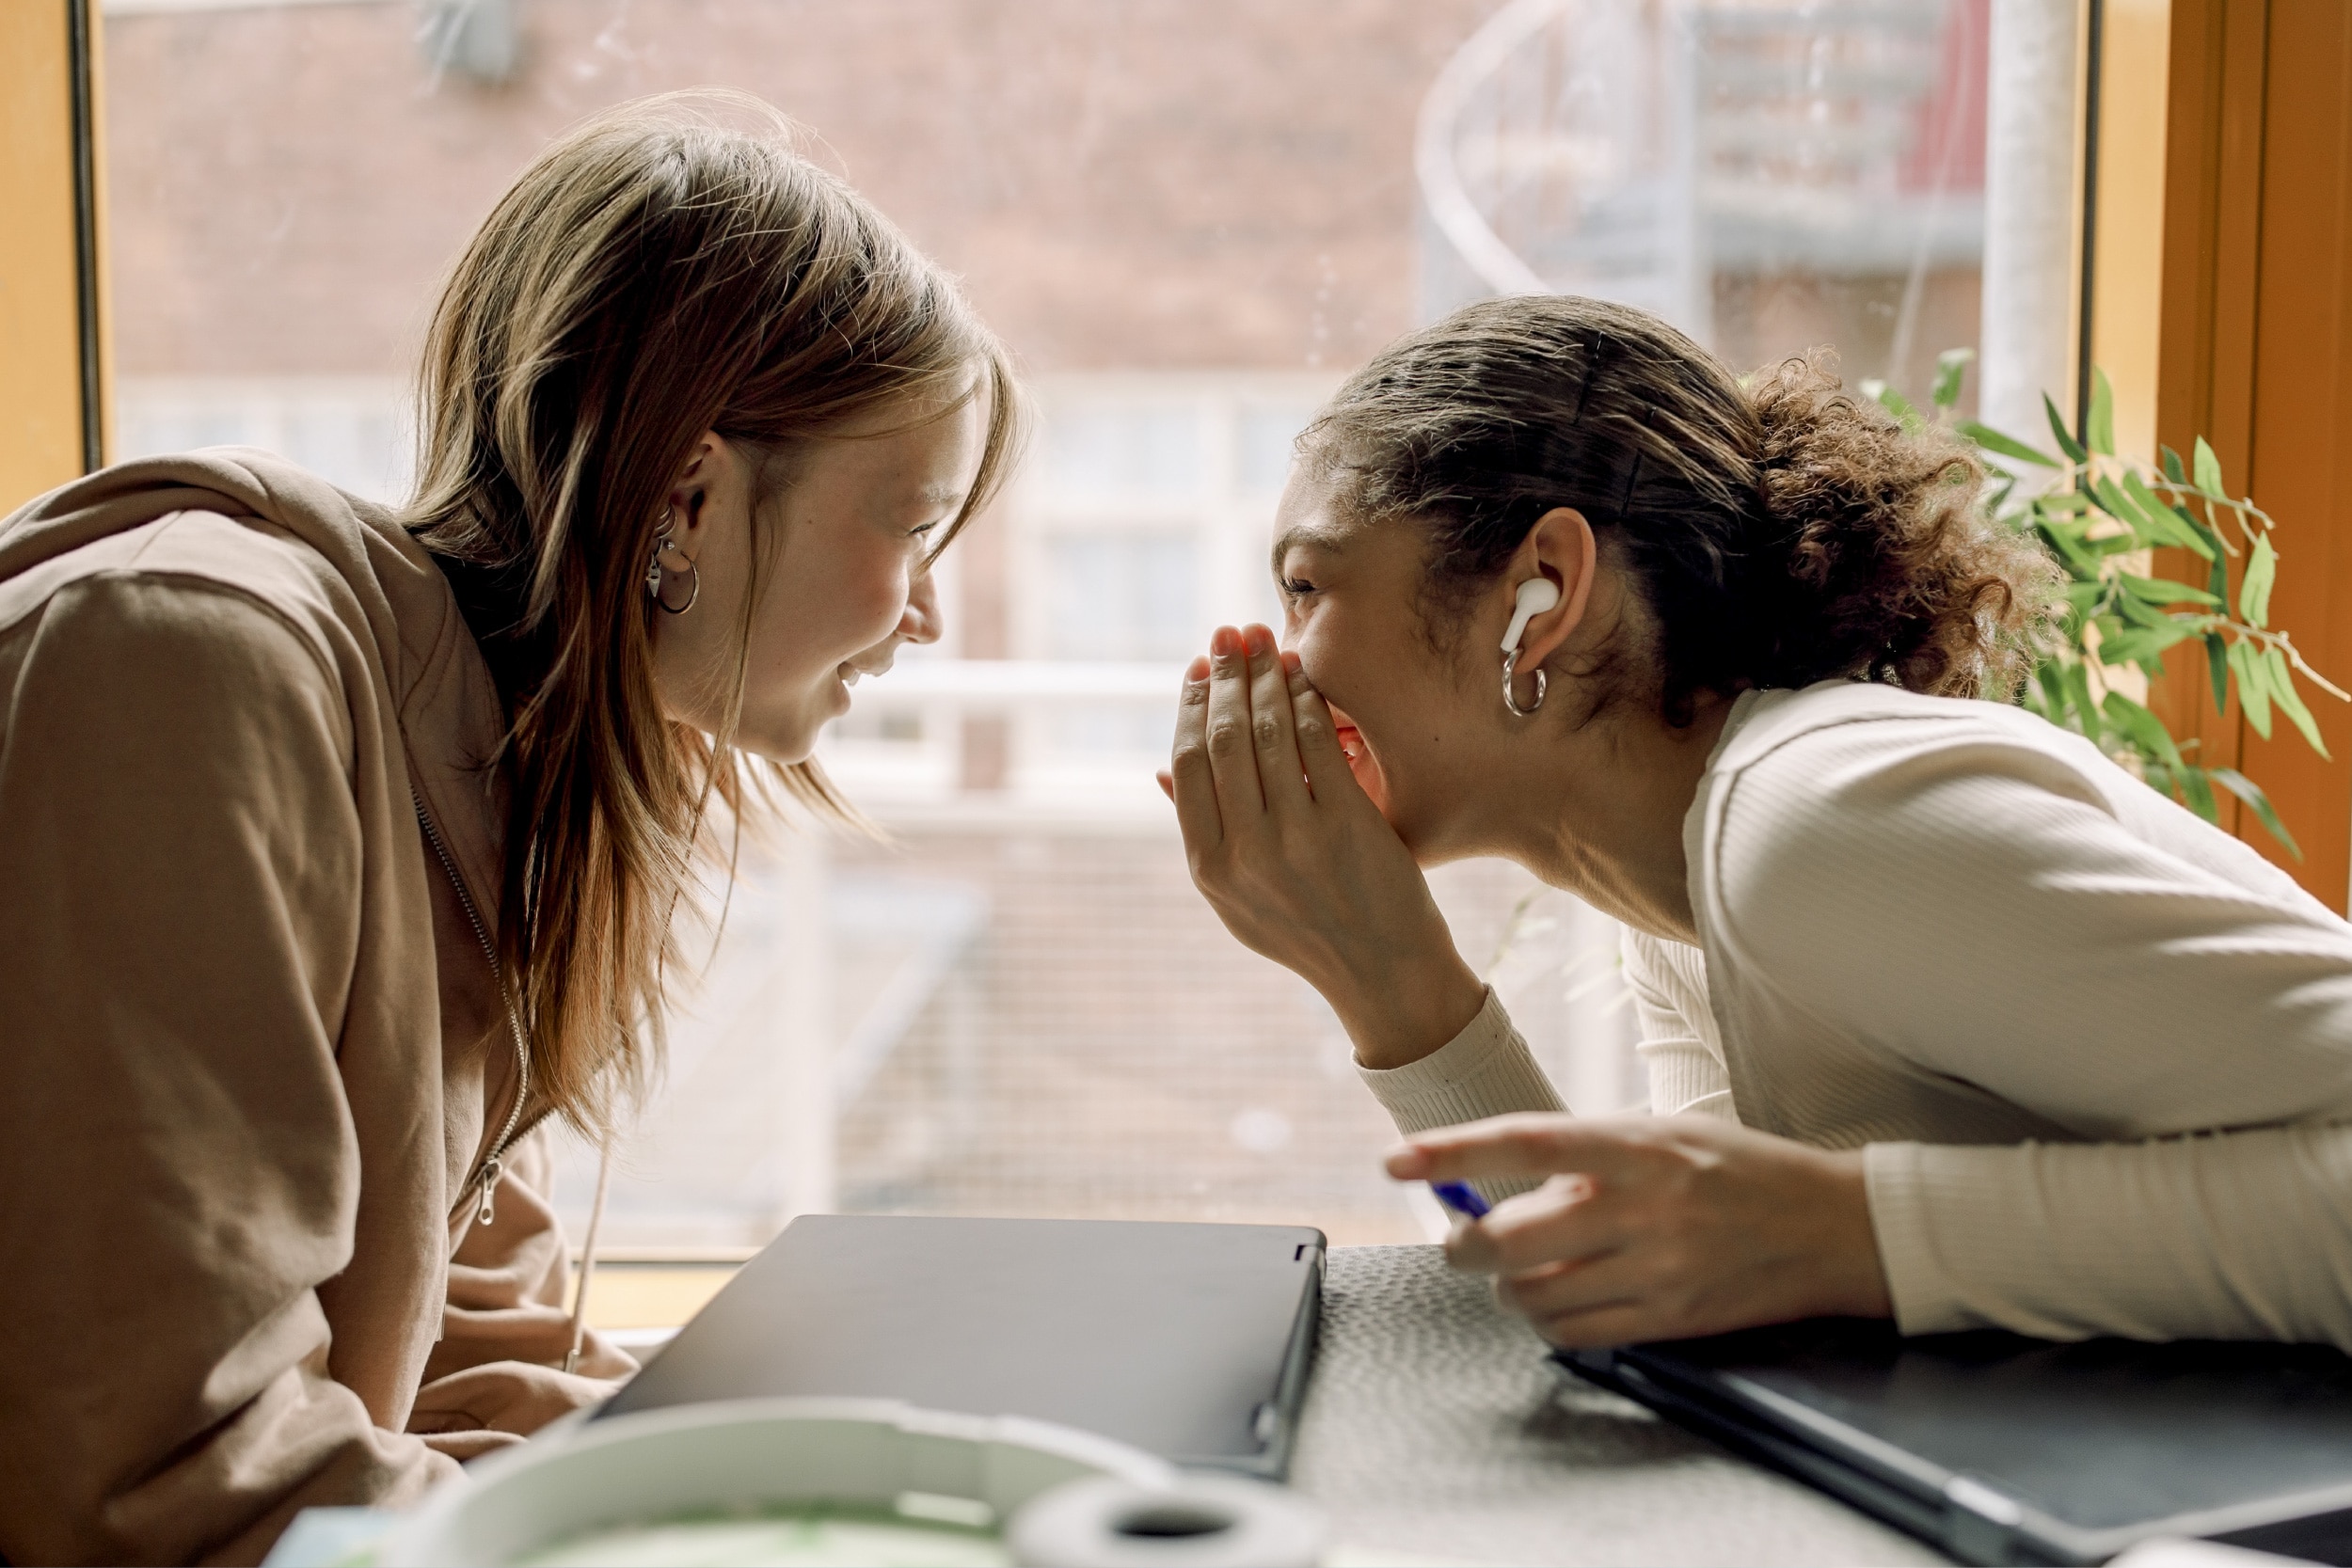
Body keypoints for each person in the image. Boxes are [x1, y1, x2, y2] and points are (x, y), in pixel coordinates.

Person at [0, 92, 1017, 1565]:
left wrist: (853, 1504)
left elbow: (473, 1370)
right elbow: (159, 1483)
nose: (927, 610)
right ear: (690, 491)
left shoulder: (495, 781)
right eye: (915, 525)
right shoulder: (183, 668)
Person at [1168, 294, 2352, 1357]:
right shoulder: (1680, 900)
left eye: (1308, 587)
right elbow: (1656, 1307)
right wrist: (1393, 982)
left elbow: (1804, 1256)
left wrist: (1854, 1235)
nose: (1276, 659)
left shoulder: (1814, 822)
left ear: (1540, 594)